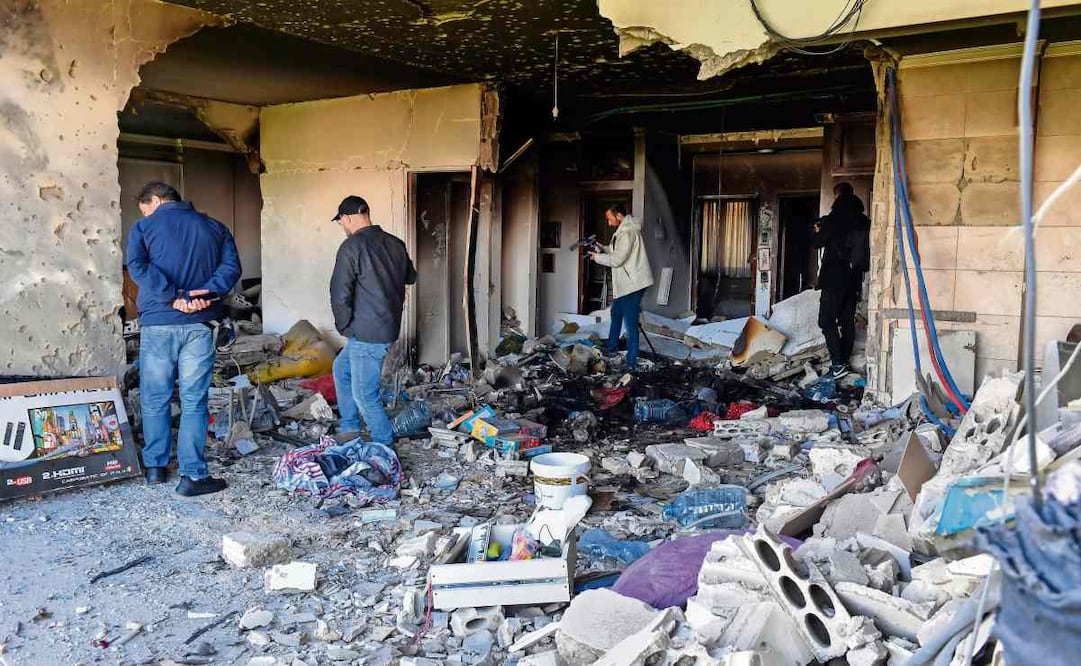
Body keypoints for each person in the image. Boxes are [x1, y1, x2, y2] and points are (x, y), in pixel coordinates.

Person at [126, 181, 241, 495]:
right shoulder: (215, 227)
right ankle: (192, 475)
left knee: (155, 398)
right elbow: (231, 268)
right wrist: (206, 292)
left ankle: (155, 468)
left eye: (145, 207)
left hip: (158, 324)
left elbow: (136, 265)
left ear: (157, 200)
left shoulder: (143, 228)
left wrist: (171, 296)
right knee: (193, 401)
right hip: (199, 324)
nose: (146, 214)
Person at [330, 196, 416, 446]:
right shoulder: (395, 243)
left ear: (346, 218)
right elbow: (410, 277)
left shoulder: (351, 247)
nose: (343, 227)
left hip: (366, 332)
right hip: (387, 327)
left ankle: (384, 447)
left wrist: (344, 326)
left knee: (364, 395)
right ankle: (350, 427)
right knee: (341, 369)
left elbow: (339, 293)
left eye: (342, 222)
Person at [813, 182, 871, 379]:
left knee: (826, 320)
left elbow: (816, 243)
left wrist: (817, 229)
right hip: (854, 279)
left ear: (837, 196)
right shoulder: (864, 221)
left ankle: (837, 363)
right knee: (846, 321)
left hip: (833, 279)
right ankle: (843, 363)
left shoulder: (833, 220)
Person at [589, 203, 654, 368]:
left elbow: (617, 259)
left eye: (610, 219)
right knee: (616, 313)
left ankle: (631, 362)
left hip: (632, 285)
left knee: (631, 324)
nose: (609, 223)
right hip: (627, 284)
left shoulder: (628, 233)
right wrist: (601, 248)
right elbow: (614, 250)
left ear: (619, 216)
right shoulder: (622, 232)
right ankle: (612, 349)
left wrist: (597, 258)